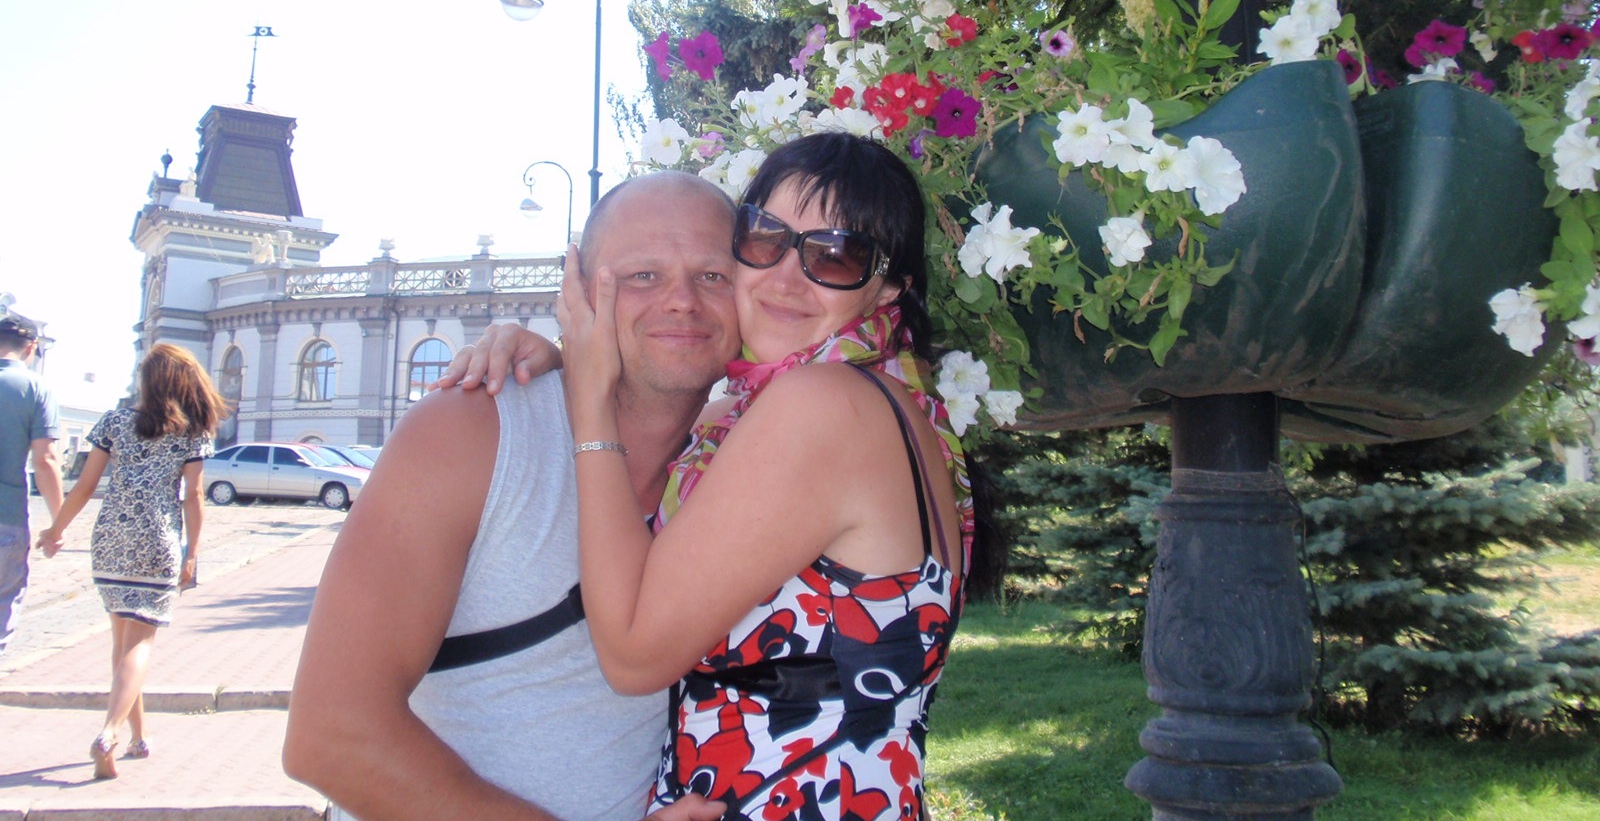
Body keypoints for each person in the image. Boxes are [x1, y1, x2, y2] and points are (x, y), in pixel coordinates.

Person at [282, 172, 735, 821]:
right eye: (643, 276)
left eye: (713, 276)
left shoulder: (738, 464)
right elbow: (331, 737)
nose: (683, 301)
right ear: (577, 291)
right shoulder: (471, 433)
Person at [558, 132, 975, 820]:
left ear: (888, 286)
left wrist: (589, 400)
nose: (785, 277)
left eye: (835, 256)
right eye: (766, 238)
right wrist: (544, 356)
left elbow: (632, 657)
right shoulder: (888, 401)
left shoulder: (821, 406)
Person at [36, 342, 222, 779]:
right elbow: (193, 496)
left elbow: (85, 486)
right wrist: (192, 553)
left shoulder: (114, 422)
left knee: (122, 644)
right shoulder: (192, 433)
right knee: (140, 645)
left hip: (110, 539)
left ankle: (139, 736)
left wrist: (55, 529)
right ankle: (110, 733)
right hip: (157, 541)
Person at [1, 312, 62, 659]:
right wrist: (57, 523)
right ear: (31, 348)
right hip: (5, 520)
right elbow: (45, 461)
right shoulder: (35, 389)